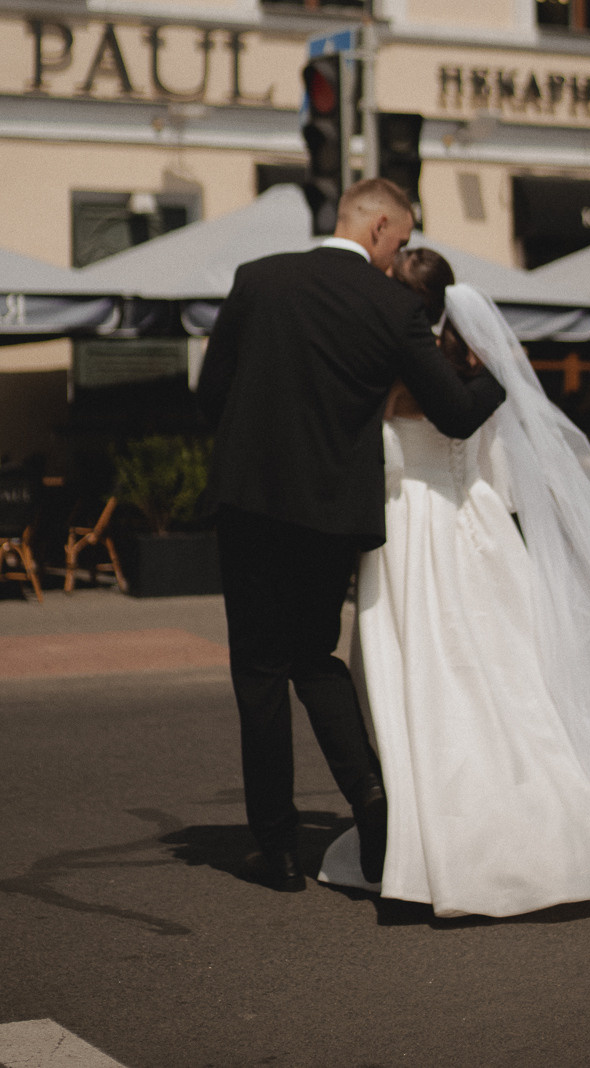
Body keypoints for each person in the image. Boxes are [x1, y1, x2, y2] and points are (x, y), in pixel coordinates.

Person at [320, 257, 590, 918]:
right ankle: (560, 812)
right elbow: (497, 469)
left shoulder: (388, 370)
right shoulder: (473, 372)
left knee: (427, 677)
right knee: (512, 678)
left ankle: (446, 835)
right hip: (476, 518)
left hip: (412, 529)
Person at [196, 180, 506, 894]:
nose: (399, 258)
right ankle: (368, 793)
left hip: (251, 502)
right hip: (331, 513)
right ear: (377, 226)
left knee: (259, 674)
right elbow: (457, 415)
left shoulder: (258, 279)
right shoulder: (395, 308)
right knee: (314, 658)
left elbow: (211, 393)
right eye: (399, 242)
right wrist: (507, 376)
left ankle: (274, 849)